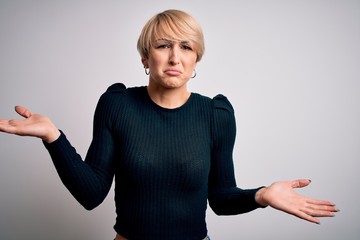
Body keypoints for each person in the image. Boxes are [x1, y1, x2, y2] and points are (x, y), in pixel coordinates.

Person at [0, 9, 338, 240]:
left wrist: (262, 195)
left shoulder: (216, 115)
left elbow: (221, 199)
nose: (175, 57)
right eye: (163, 46)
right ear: (146, 58)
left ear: (195, 60)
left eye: (186, 47)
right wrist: (53, 137)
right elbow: (91, 194)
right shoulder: (117, 105)